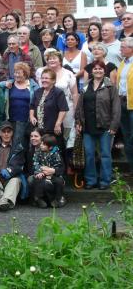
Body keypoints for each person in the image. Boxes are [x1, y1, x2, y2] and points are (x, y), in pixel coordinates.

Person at [75, 60, 120, 190]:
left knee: (105, 154)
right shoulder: (85, 86)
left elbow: (116, 108)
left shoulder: (110, 86)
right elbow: (79, 106)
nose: (98, 71)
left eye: (100, 69)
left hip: (105, 127)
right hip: (88, 127)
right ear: (91, 71)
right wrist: (78, 121)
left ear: (104, 71)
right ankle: (91, 180)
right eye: (95, 69)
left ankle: (105, 180)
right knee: (89, 154)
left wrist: (113, 126)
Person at [30, 68, 69, 154]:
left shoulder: (58, 93)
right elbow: (32, 106)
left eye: (46, 78)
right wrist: (32, 116)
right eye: (42, 78)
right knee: (39, 152)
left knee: (55, 152)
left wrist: (58, 124)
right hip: (40, 130)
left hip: (53, 129)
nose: (44, 80)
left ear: (53, 80)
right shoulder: (37, 92)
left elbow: (63, 109)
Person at [1, 62, 38, 148]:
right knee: (11, 144)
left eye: (18, 73)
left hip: (26, 120)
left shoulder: (32, 85)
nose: (16, 75)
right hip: (10, 120)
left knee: (21, 144)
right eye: (15, 72)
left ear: (25, 74)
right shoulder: (10, 83)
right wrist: (4, 84)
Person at [30, 134, 65, 208]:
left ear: (50, 147)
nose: (41, 145)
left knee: (59, 182)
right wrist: (40, 171)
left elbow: (59, 165)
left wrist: (52, 171)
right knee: (38, 179)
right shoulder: (38, 152)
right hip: (41, 173)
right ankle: (38, 198)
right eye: (41, 143)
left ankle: (57, 199)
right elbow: (35, 163)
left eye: (44, 144)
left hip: (53, 174)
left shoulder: (56, 154)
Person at [117, 37, 133, 172]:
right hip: (122, 102)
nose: (120, 49)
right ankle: (131, 167)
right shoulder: (123, 62)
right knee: (127, 136)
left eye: (122, 47)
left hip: (132, 103)